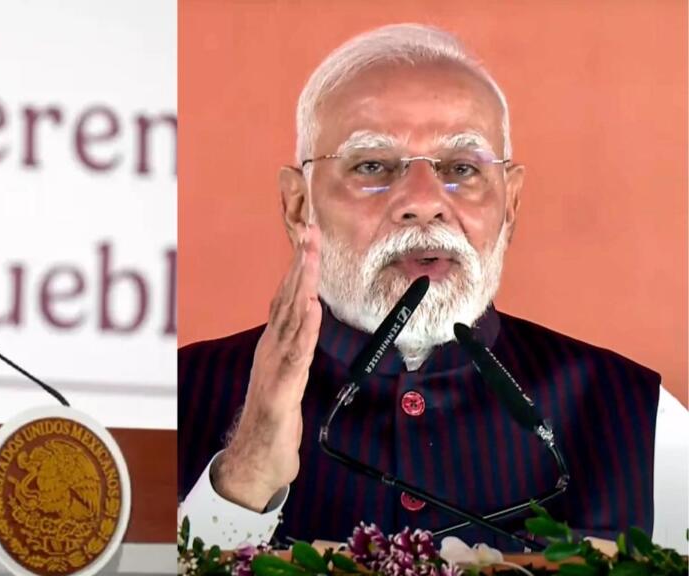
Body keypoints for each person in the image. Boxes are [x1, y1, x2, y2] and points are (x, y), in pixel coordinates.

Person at [178, 24, 662, 550]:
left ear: (511, 203)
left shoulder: (641, 414)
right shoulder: (182, 393)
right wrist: (244, 475)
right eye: (372, 166)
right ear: (298, 207)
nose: (424, 201)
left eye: (461, 167)